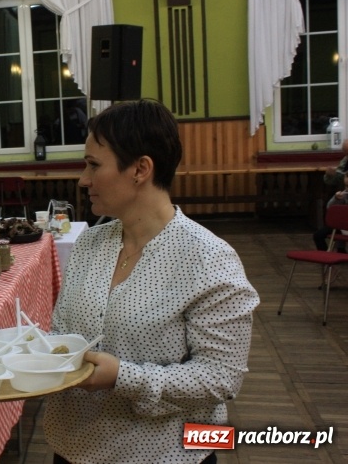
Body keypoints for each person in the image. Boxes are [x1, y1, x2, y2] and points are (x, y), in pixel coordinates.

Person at [45, 99, 259, 464]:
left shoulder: (208, 259)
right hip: (73, 447)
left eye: (94, 165)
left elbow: (220, 378)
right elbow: (63, 333)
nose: (83, 180)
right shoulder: (91, 242)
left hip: (167, 453)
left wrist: (122, 377)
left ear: (140, 169)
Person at [313, 171, 348, 251]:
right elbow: (330, 208)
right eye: (346, 177)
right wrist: (336, 198)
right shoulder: (342, 193)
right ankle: (325, 256)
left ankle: (341, 249)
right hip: (341, 226)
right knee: (318, 235)